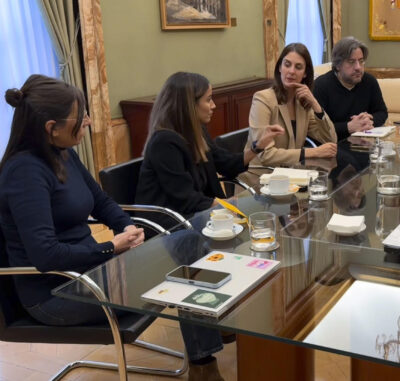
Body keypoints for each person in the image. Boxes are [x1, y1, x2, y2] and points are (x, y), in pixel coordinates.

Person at [0, 75, 225, 380]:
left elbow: (101, 202)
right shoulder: (24, 173)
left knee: (190, 242)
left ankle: (204, 354)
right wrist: (110, 246)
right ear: (51, 128)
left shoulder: (63, 154)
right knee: (186, 257)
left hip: (94, 271)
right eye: (80, 118)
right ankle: (204, 365)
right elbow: (46, 256)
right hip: (57, 294)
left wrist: (128, 227)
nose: (89, 122)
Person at [136, 72, 284, 217]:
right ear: (189, 106)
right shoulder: (164, 143)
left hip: (196, 215)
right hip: (171, 225)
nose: (213, 105)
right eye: (208, 100)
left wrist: (257, 146)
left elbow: (226, 164)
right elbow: (184, 198)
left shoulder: (197, 132)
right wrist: (224, 204)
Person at [247, 43, 337, 166]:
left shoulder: (302, 103)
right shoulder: (263, 99)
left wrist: (315, 104)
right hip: (260, 178)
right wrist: (311, 152)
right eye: (287, 65)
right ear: (279, 67)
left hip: (291, 176)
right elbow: (264, 154)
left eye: (298, 67)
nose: (291, 71)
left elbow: (330, 140)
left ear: (305, 73)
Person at [313, 36, 388, 141]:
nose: (358, 67)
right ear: (338, 65)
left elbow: (382, 112)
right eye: (351, 62)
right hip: (333, 146)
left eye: (361, 61)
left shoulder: (369, 81)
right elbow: (317, 129)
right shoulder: (321, 85)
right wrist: (349, 127)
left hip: (364, 144)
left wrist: (368, 120)